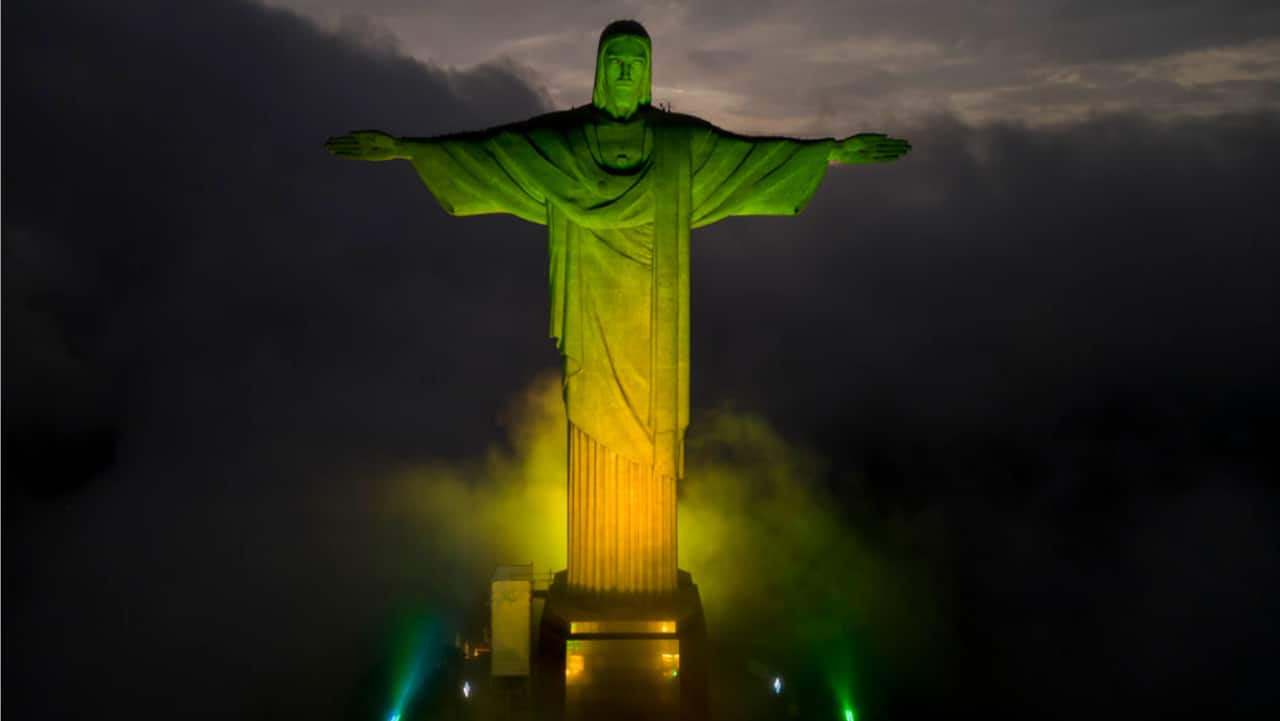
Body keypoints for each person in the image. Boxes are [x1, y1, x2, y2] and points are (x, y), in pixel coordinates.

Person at [326, 20, 910, 595]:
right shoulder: (568, 144)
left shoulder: (680, 147)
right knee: (592, 424)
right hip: (592, 311)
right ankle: (598, 583)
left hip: (654, 330)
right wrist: (407, 150)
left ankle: (642, 583)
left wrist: (829, 154)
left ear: (649, 72)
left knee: (647, 445)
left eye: (636, 63)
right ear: (601, 71)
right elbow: (496, 152)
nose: (627, 73)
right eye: (616, 62)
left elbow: (750, 159)